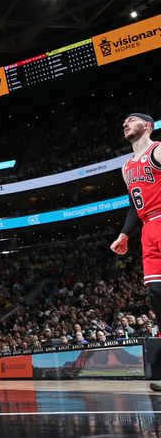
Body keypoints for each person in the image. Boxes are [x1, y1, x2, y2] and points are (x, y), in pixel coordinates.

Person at [110, 112, 161, 392]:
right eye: (124, 121)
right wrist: (124, 233)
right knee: (156, 296)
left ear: (147, 126)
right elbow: (133, 203)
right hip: (147, 229)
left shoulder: (158, 149)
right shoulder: (126, 167)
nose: (125, 123)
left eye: (132, 120)